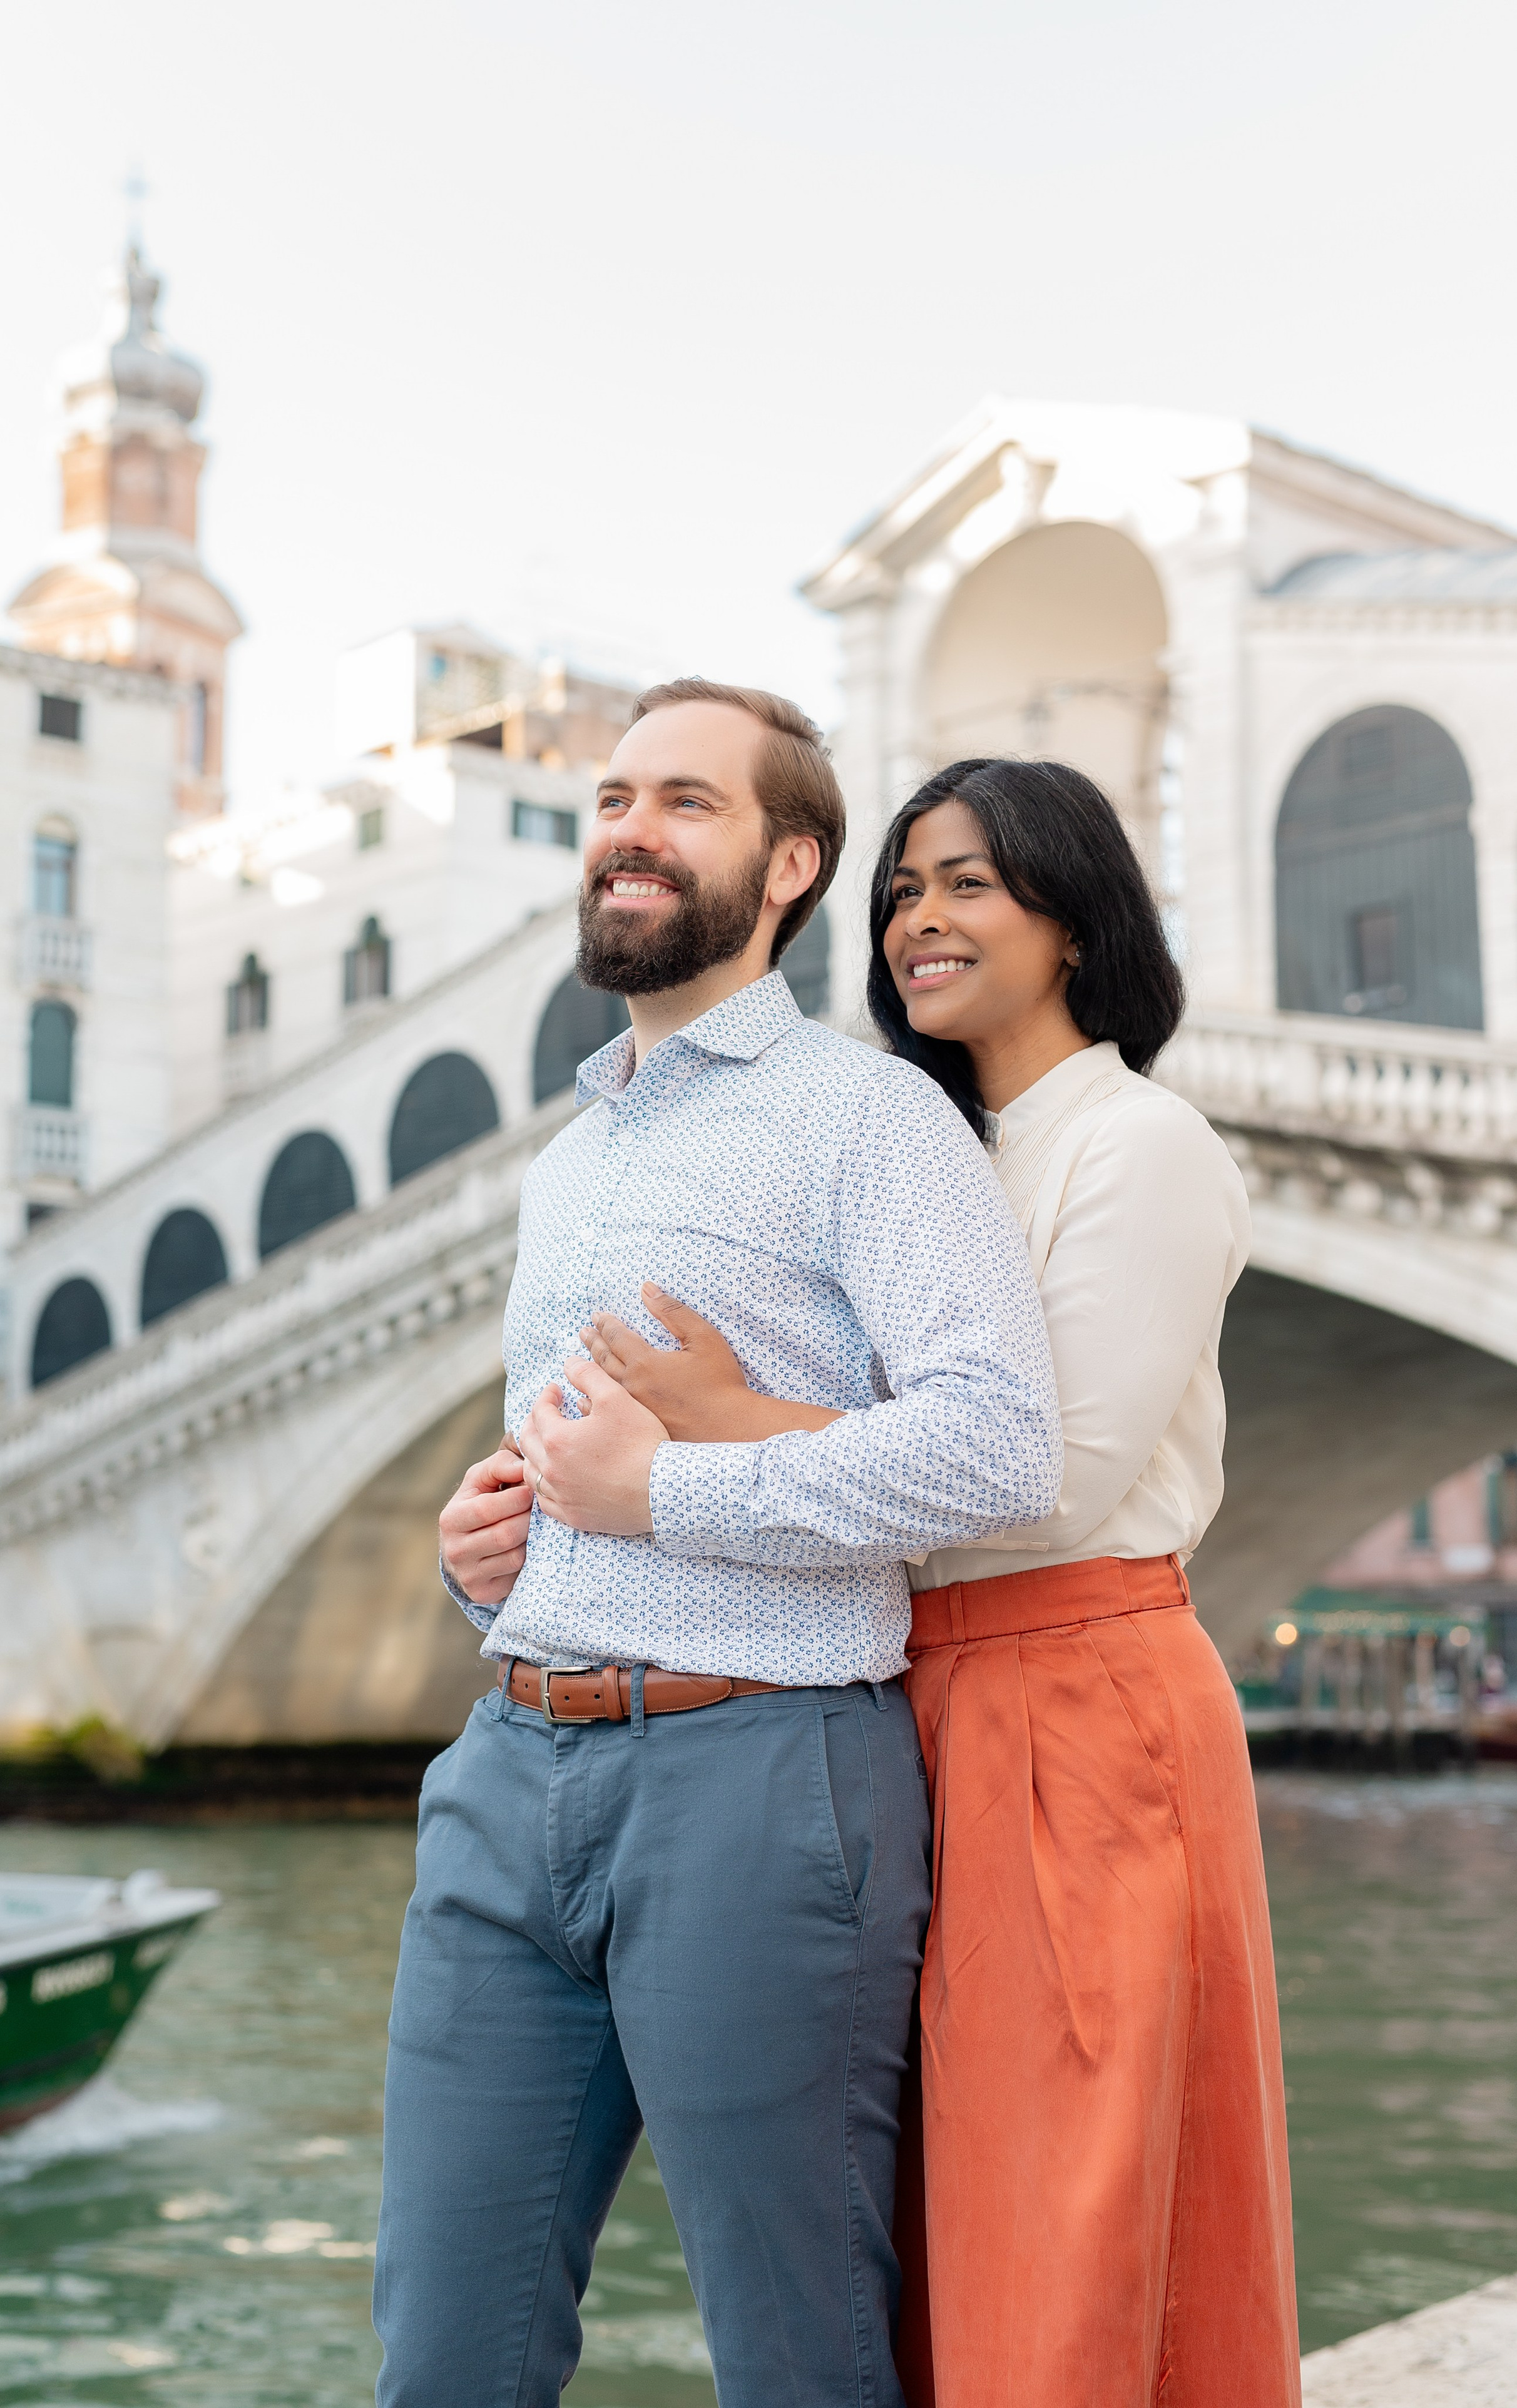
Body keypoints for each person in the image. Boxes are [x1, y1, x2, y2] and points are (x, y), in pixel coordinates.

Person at [575, 757, 1302, 2408]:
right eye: (901, 890)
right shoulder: (923, 1152)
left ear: (1075, 912)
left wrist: (714, 1436)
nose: (918, 918)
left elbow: (1047, 1477)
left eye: (970, 882)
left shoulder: (1140, 1142)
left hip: (1081, 1703)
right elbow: (896, 1460)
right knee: (930, 2193)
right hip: (915, 1701)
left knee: (1076, 2176)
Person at [375, 688, 1063, 2408]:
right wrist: (504, 1543)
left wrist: (662, 1498)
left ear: (788, 865)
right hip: (505, 1771)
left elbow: (998, 1444)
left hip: (766, 1778)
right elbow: (583, 1464)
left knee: (797, 2352)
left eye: (686, 800)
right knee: (444, 2349)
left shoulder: (875, 1120)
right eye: (614, 797)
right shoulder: (566, 1158)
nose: (630, 828)